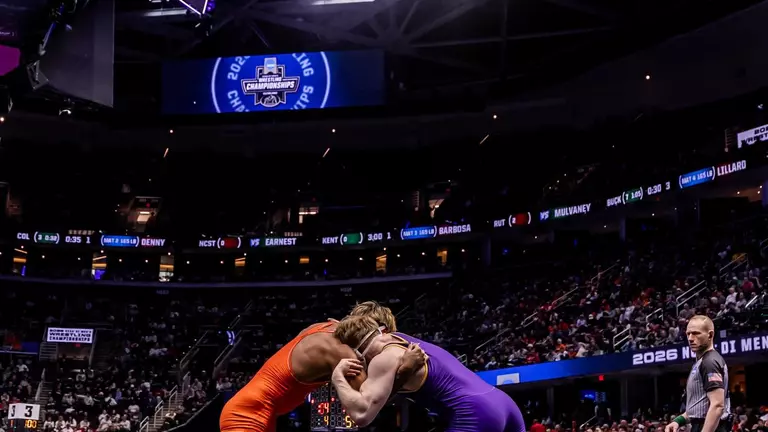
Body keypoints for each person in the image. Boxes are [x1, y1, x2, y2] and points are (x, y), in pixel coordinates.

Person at [220, 304, 425, 432]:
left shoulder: (321, 328)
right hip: (247, 414)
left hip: (258, 410)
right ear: (381, 331)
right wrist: (406, 369)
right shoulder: (343, 351)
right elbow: (366, 408)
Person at [331, 315, 526, 431]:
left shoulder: (383, 359)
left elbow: (362, 415)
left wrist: (337, 377)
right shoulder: (400, 338)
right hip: (504, 403)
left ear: (354, 350)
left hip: (473, 412)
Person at [665, 315, 730, 432]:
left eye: (696, 333)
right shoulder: (701, 362)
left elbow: (717, 406)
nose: (690, 338)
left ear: (710, 335)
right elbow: (699, 409)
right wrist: (678, 421)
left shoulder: (709, 362)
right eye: (688, 333)